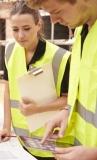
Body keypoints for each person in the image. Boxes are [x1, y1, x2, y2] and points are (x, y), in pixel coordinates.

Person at [0, 1, 73, 160]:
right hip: (19, 143)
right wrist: (6, 127)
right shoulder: (9, 51)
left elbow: (69, 100)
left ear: (39, 25)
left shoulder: (60, 58)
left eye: (26, 29)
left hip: (50, 144)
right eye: (15, 30)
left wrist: (39, 108)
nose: (20, 35)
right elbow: (8, 91)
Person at [25, 0, 97, 160]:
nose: (53, 20)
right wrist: (66, 112)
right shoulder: (80, 32)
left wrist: (94, 154)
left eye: (58, 11)